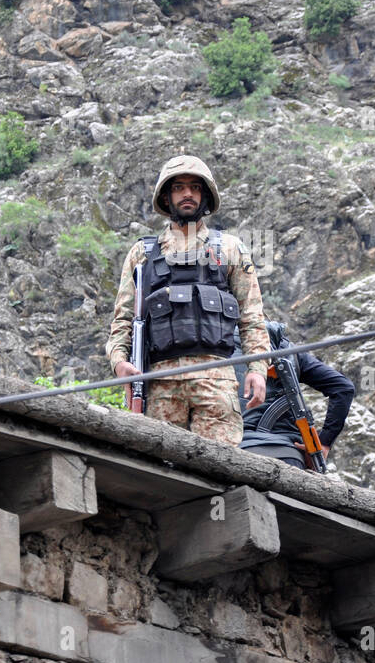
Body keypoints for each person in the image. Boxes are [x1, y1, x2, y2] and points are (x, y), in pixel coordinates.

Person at [106, 155, 271, 446]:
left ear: (204, 196)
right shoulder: (142, 254)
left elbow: (252, 317)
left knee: (222, 470)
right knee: (161, 472)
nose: (187, 194)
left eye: (195, 188)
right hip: (160, 385)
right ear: (167, 197)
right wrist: (119, 363)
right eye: (179, 187)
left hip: (217, 382)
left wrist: (258, 370)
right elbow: (123, 320)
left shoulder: (231, 249)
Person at [234, 321, 356, 470]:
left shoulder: (214, 350)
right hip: (288, 454)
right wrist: (324, 443)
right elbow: (344, 388)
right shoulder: (288, 350)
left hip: (236, 450)